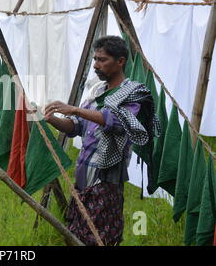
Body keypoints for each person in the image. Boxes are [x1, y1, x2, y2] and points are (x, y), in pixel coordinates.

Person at [43, 35, 159, 246]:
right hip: (82, 177)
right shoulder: (97, 91)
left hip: (106, 180)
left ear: (120, 61)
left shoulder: (133, 93)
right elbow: (76, 126)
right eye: (95, 59)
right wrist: (52, 119)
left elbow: (118, 123)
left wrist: (75, 109)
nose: (96, 65)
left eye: (102, 60)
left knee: (100, 238)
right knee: (77, 234)